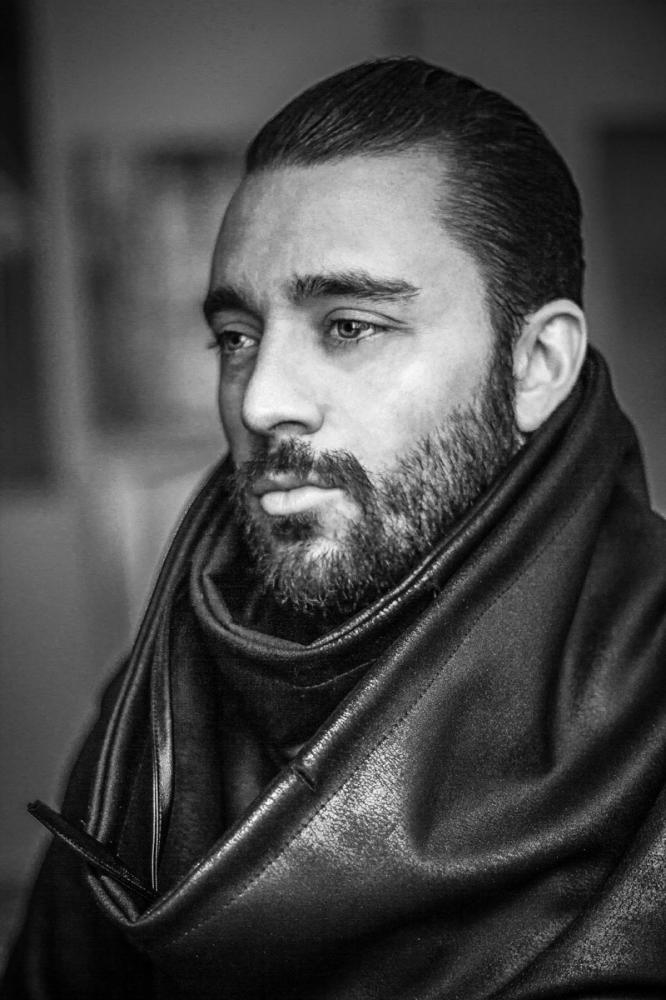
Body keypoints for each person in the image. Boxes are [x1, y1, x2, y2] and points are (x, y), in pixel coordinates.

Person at [4, 56, 666, 999]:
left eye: (349, 326)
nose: (259, 400)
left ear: (537, 365)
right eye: (237, 337)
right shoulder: (159, 699)